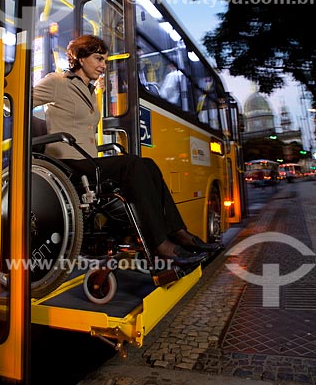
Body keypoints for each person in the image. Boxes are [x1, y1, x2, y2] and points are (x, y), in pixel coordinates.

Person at [33, 35, 210, 268]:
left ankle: (179, 233)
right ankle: (161, 245)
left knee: (149, 165)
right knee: (132, 164)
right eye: (98, 58)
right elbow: (18, 101)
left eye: (104, 60)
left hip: (88, 160)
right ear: (79, 57)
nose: (102, 65)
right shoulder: (56, 81)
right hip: (66, 162)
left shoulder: (90, 90)